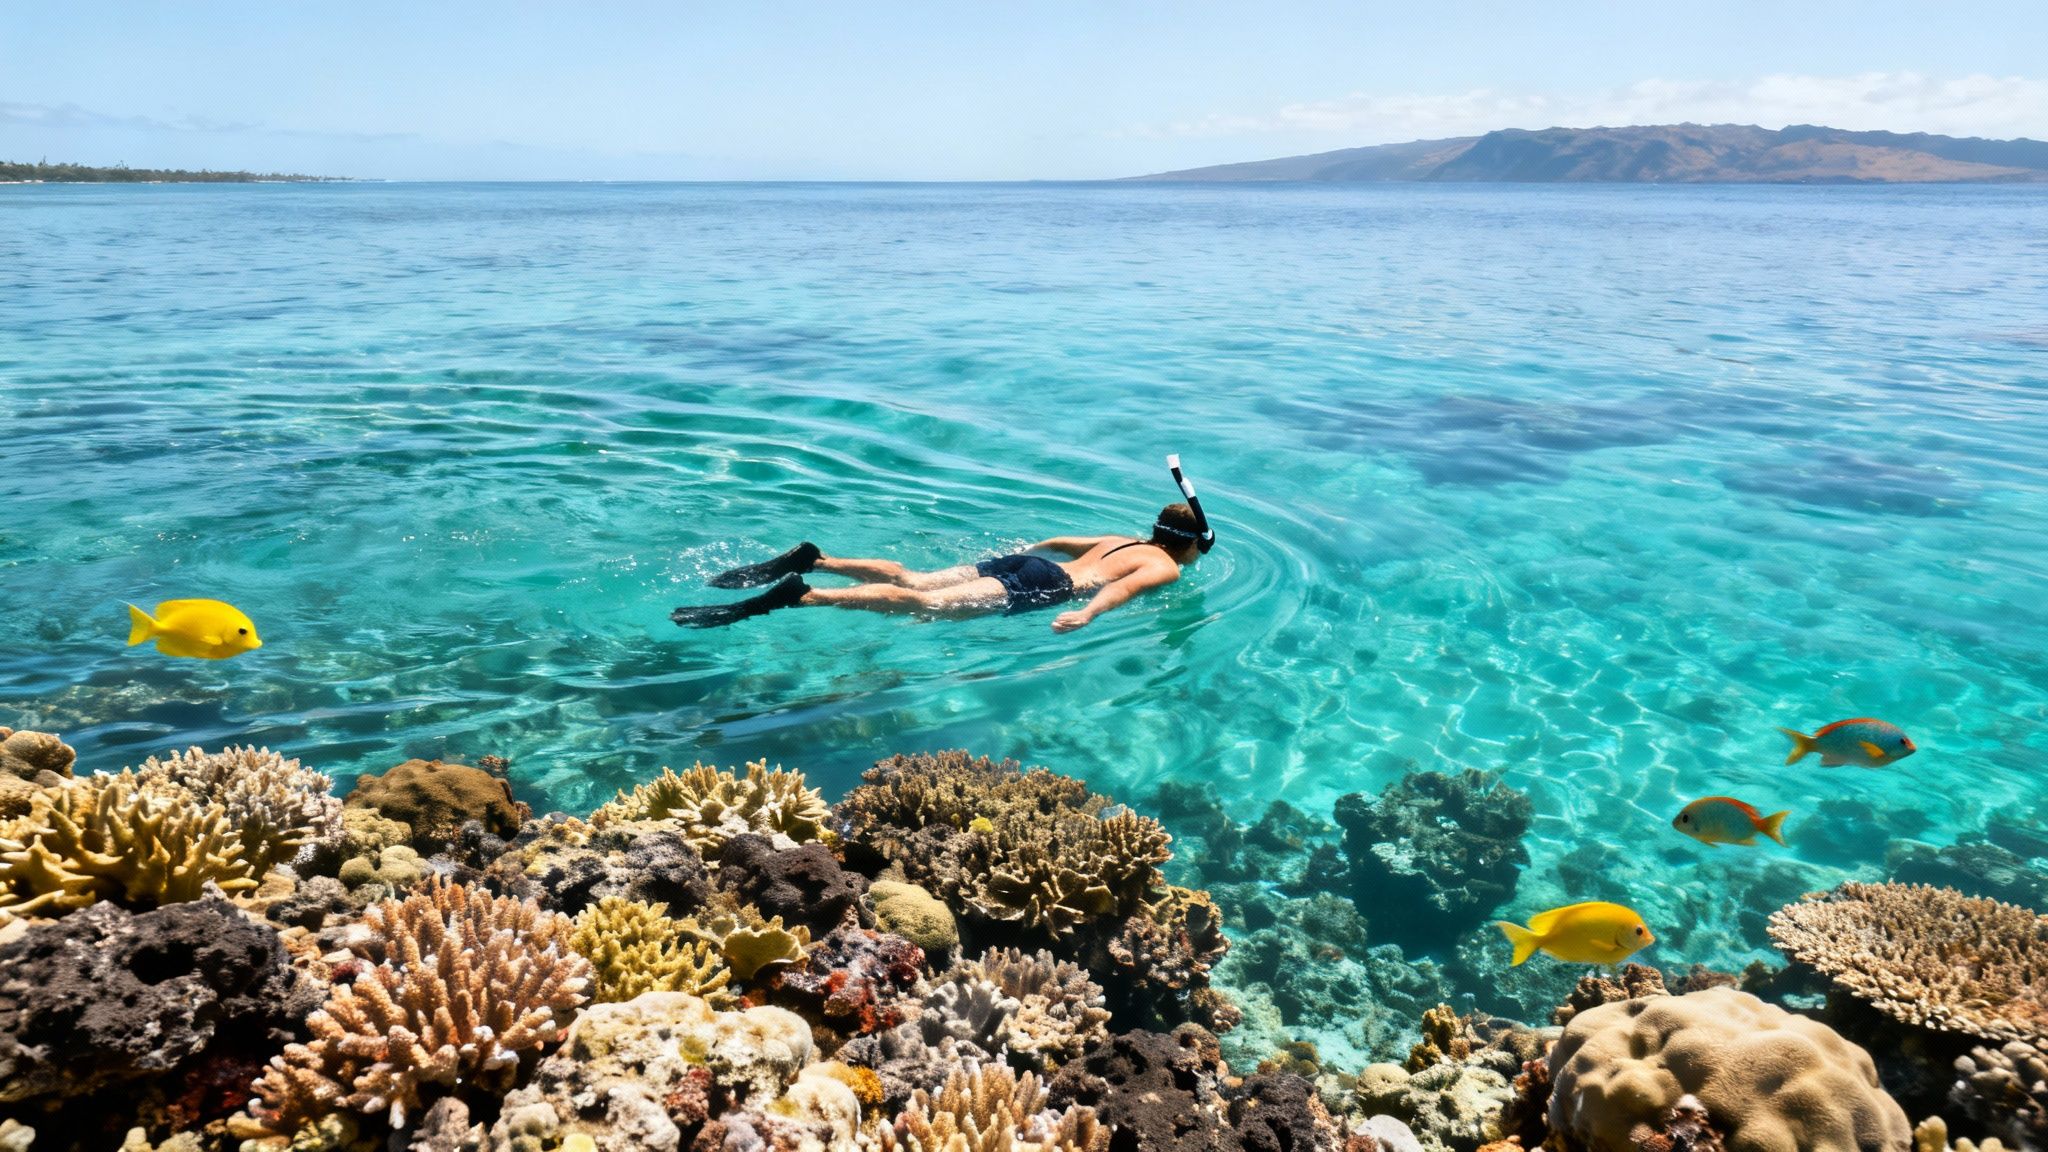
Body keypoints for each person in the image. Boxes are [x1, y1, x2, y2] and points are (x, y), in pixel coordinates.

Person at [672, 502, 1208, 632]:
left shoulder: (1123, 538)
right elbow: (1124, 591)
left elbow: (1062, 540)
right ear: (1187, 545)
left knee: (914, 579)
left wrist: (1028, 547)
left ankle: (821, 559)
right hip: (1050, 586)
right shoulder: (1165, 565)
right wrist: (1087, 615)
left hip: (1027, 563)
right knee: (925, 606)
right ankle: (805, 594)